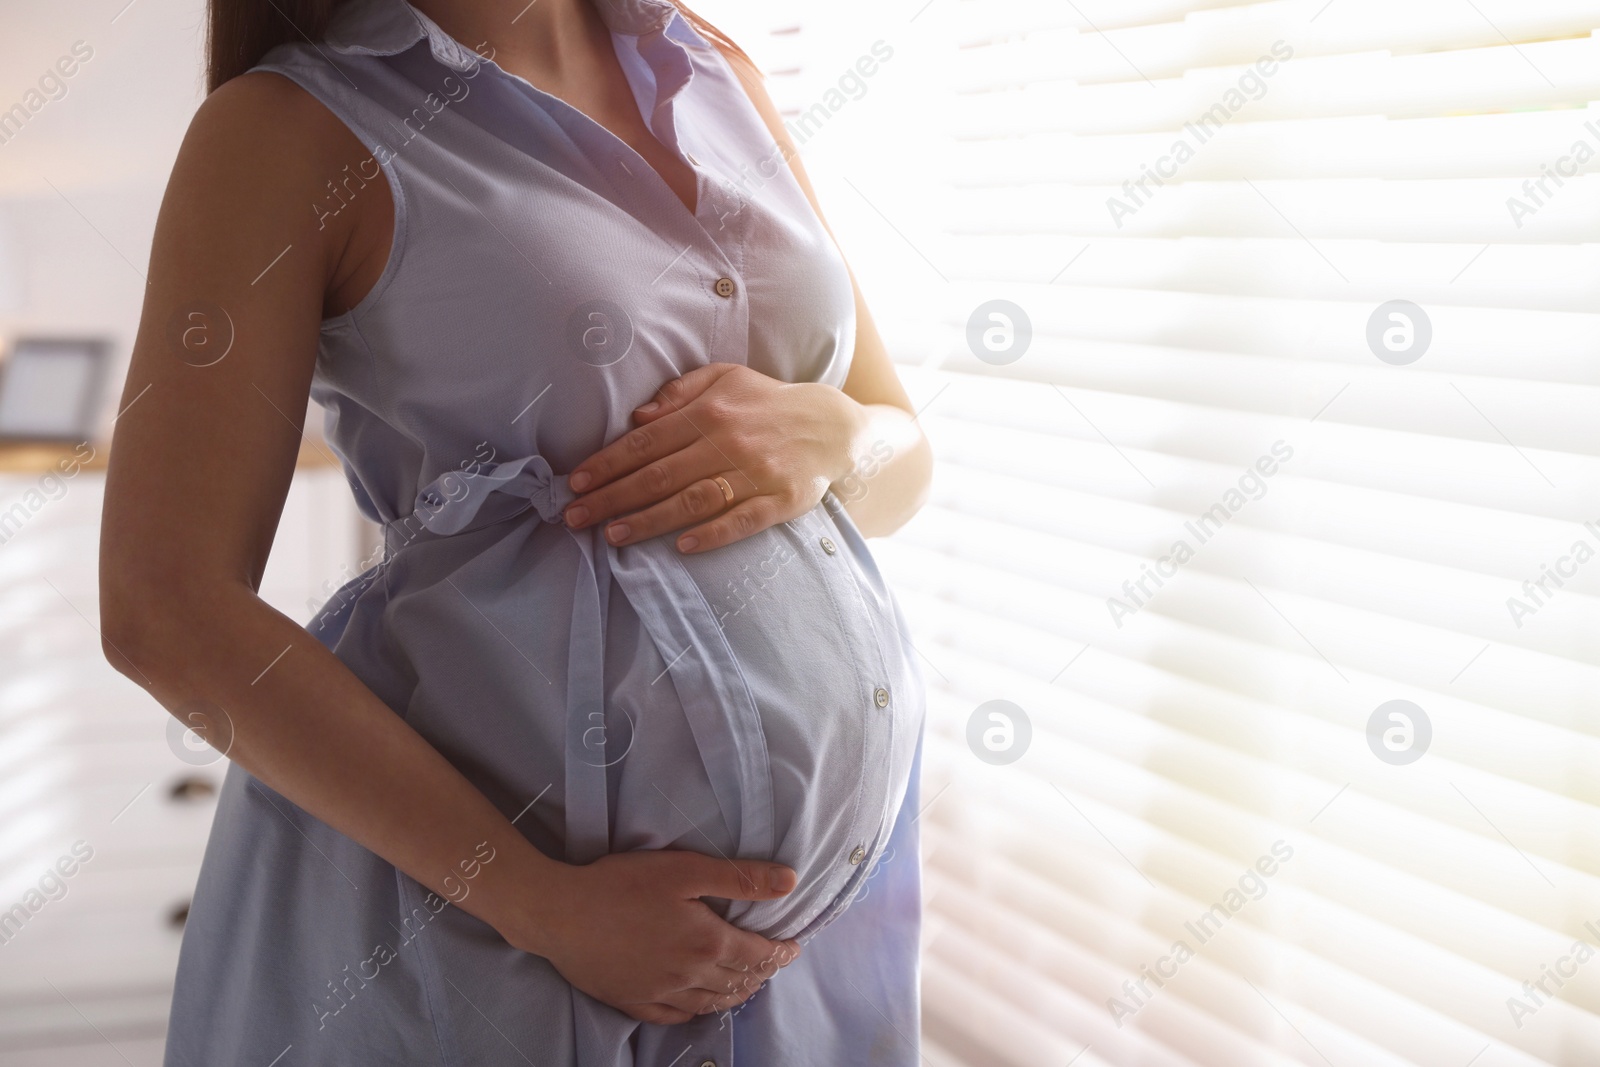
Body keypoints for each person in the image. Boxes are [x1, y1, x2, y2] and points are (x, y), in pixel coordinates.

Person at [98, 0, 934, 1063]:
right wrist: (539, 902)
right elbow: (163, 609)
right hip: (498, 938)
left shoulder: (710, 67)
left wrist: (838, 435)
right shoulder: (289, 127)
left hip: (819, 948)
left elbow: (903, 469)